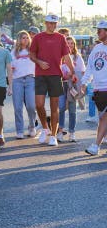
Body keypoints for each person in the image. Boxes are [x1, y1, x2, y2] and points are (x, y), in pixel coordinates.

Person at [30, 14, 74, 146]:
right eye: (50, 23)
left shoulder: (61, 38)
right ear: (45, 23)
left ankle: (54, 135)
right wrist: (39, 62)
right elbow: (31, 55)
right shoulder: (38, 37)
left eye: (54, 23)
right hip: (40, 75)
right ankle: (45, 128)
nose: (52, 25)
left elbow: (66, 57)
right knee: (39, 104)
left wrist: (72, 71)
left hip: (56, 75)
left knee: (54, 107)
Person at [81, 21, 107, 156]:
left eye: (100, 31)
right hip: (98, 89)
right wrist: (84, 83)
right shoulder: (97, 48)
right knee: (102, 117)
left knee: (103, 118)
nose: (97, 33)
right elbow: (90, 68)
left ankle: (96, 146)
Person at [58, 36, 85, 143]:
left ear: (74, 45)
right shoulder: (60, 56)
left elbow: (82, 71)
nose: (69, 45)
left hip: (72, 86)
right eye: (67, 43)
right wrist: (63, 74)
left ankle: (72, 133)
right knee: (61, 108)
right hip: (61, 84)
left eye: (71, 43)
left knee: (72, 110)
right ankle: (60, 131)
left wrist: (81, 84)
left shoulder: (77, 57)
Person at [10, 30, 37, 139]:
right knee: (18, 107)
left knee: (31, 106)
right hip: (17, 81)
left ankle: (32, 126)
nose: (25, 39)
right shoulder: (13, 53)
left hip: (31, 79)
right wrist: (9, 85)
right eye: (23, 38)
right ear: (19, 40)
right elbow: (10, 70)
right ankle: (19, 130)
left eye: (27, 37)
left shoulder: (33, 51)